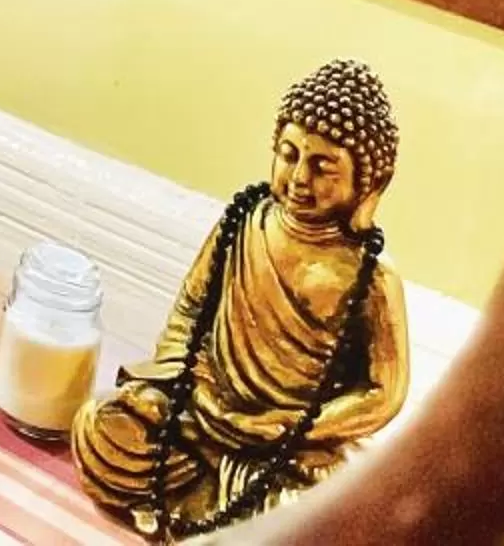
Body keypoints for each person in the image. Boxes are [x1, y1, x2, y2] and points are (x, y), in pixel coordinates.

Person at [69, 59, 411, 537]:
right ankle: (200, 508)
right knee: (99, 426)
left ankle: (214, 516)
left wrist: (292, 428)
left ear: (369, 183)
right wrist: (177, 383)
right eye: (290, 154)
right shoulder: (246, 220)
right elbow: (191, 310)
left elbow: (383, 394)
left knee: (312, 512)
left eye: (322, 167)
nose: (299, 178)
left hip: (288, 447)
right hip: (202, 412)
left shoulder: (369, 276)